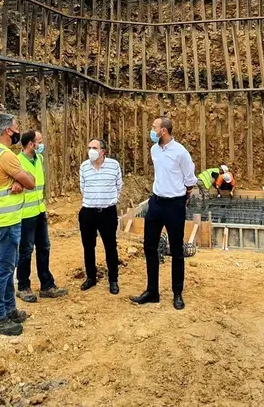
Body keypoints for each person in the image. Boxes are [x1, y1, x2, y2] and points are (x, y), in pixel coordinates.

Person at [131, 117, 197, 311]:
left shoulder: (181, 153)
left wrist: (180, 198)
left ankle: (177, 293)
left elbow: (190, 180)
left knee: (176, 250)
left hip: (174, 205)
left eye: (154, 128)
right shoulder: (154, 150)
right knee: (149, 246)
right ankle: (152, 291)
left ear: (164, 131)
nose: (151, 130)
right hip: (156, 202)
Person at [0, 112, 36, 336]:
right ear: (7, 131)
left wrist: (14, 181)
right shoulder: (5, 155)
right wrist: (19, 180)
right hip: (4, 221)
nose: (17, 131)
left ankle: (9, 309)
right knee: (3, 269)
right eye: (16, 128)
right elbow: (30, 182)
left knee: (8, 266)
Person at [16, 130, 67, 303]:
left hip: (39, 211)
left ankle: (47, 285)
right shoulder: (17, 162)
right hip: (25, 214)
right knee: (26, 251)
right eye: (40, 141)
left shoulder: (40, 159)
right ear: (31, 144)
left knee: (44, 247)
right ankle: (23, 286)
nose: (42, 144)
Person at [78, 138, 123, 294]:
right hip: (88, 212)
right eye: (89, 147)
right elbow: (82, 188)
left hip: (107, 212)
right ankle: (91, 277)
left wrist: (111, 200)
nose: (91, 150)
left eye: (94, 147)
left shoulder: (114, 166)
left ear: (103, 151)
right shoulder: (84, 167)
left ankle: (113, 280)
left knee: (110, 247)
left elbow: (119, 186)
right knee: (88, 246)